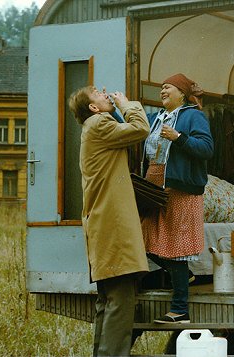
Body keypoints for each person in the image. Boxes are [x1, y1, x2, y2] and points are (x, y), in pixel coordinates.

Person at [68, 86, 150, 356]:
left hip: (103, 226)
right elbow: (140, 129)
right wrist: (127, 105)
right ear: (93, 108)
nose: (105, 94)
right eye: (98, 94)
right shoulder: (101, 122)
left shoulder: (93, 127)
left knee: (108, 301)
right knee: (120, 303)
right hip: (112, 227)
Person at [141, 73, 214, 323]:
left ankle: (180, 309)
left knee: (176, 250)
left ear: (181, 93)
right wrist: (117, 106)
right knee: (143, 240)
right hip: (154, 187)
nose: (162, 91)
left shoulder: (193, 115)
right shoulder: (156, 118)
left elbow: (206, 149)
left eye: (167, 87)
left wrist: (179, 138)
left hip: (181, 188)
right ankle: (185, 276)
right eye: (160, 87)